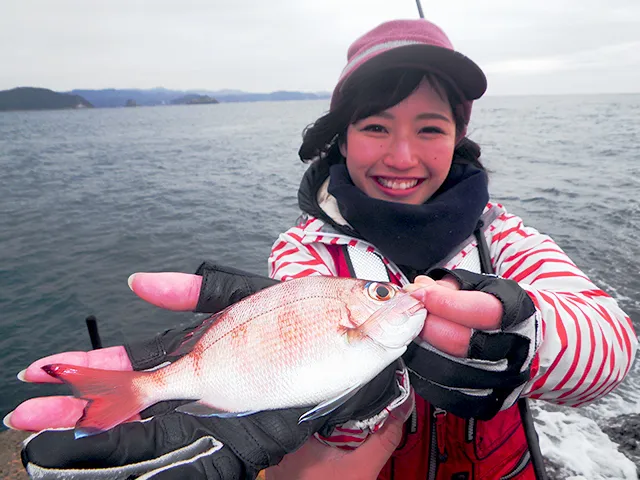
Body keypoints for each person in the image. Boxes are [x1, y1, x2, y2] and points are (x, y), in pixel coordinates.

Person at [6, 17, 636, 480]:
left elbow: (611, 346)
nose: (402, 156)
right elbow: (306, 369)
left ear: (460, 134)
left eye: (430, 129)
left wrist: (518, 333)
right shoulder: (306, 252)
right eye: (375, 127)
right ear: (340, 138)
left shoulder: (503, 239)